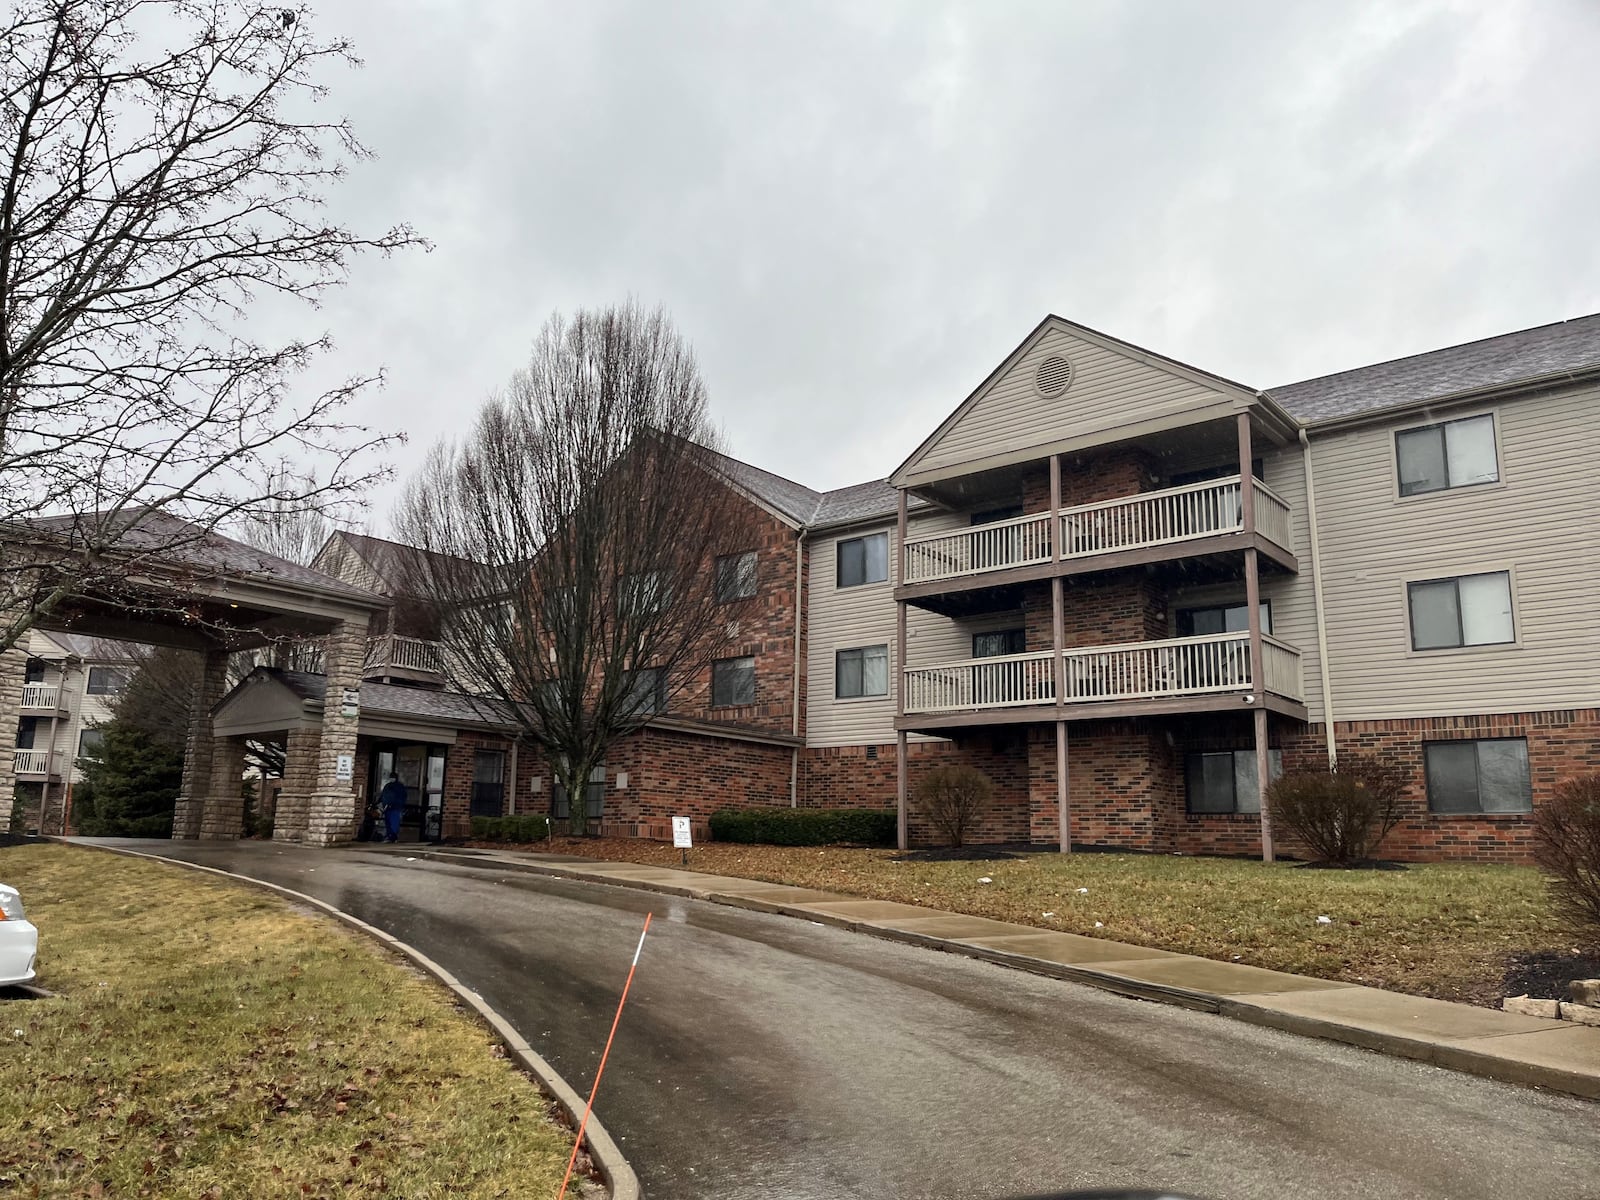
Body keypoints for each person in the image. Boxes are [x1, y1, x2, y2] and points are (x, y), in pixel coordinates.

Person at [378, 772, 408, 843]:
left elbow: (402, 797)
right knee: (389, 823)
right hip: (389, 807)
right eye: (391, 777)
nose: (392, 779)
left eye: (393, 777)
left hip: (395, 807)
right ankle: (391, 836)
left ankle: (392, 836)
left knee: (393, 823)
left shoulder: (398, 787)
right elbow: (383, 795)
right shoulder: (389, 786)